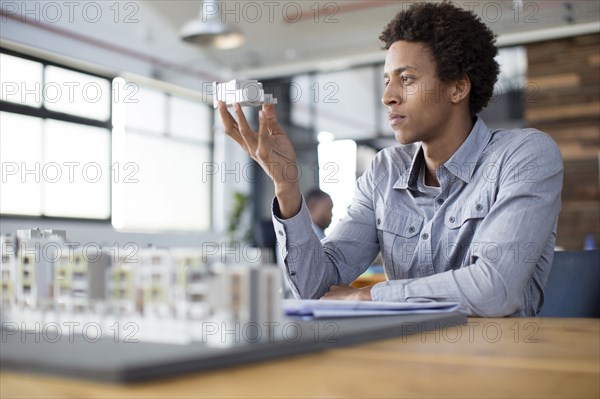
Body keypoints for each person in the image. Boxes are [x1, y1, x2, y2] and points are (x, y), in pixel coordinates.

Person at [218, 2, 563, 317]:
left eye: (407, 79)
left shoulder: (524, 155)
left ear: (457, 88)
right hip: (401, 363)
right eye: (386, 81)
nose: (387, 97)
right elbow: (313, 289)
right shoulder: (385, 170)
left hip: (497, 369)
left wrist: (369, 296)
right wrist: (286, 185)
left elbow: (494, 289)